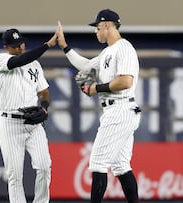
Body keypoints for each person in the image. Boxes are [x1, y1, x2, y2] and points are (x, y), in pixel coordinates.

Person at [56, 9, 142, 203]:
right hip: (118, 110)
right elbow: (86, 66)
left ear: (106, 25)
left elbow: (126, 81)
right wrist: (64, 46)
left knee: (98, 163)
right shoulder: (107, 52)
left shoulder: (124, 47)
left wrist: (97, 88)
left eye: (97, 27)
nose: (95, 31)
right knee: (121, 166)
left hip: (121, 108)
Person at [0, 28, 57, 203]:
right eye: (15, 45)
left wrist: (44, 108)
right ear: (7, 47)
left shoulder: (35, 64)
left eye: (21, 42)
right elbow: (19, 60)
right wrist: (48, 45)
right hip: (10, 124)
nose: (20, 47)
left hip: (33, 124)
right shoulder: (0, 60)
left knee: (44, 166)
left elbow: (44, 92)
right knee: (15, 175)